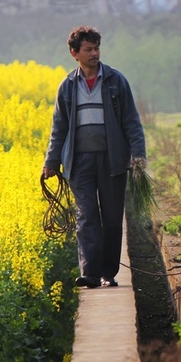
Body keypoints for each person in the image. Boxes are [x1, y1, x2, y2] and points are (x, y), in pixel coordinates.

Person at [43, 25, 146, 289]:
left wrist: (137, 156)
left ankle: (108, 272)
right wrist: (51, 162)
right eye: (88, 49)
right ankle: (89, 273)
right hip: (79, 163)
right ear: (74, 53)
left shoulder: (116, 81)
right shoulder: (67, 86)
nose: (94, 53)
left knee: (111, 218)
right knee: (87, 216)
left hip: (112, 160)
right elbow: (59, 127)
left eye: (96, 48)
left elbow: (131, 121)